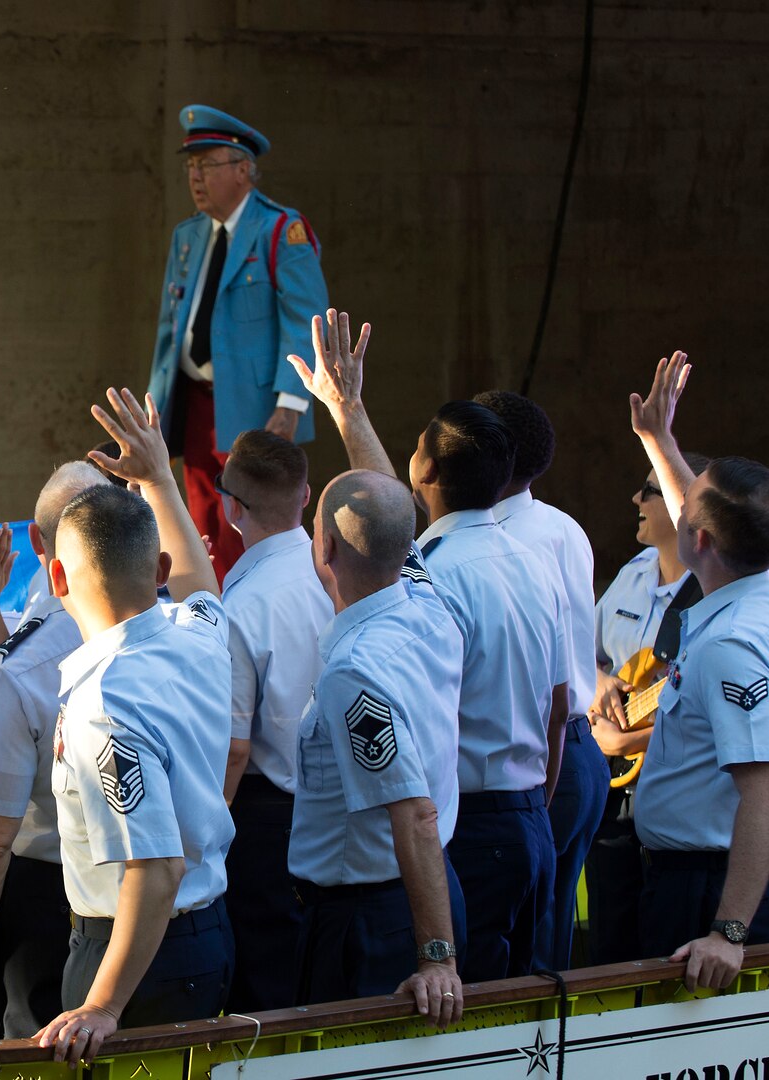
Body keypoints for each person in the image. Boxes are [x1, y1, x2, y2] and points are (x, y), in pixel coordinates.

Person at [287, 310, 568, 982]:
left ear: (429, 467)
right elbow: (559, 707)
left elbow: (383, 535)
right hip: (526, 812)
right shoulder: (528, 554)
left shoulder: (437, 579)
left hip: (457, 837)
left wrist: (434, 951)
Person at [35, 388, 235, 1067]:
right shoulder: (197, 629)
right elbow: (201, 584)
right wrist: (158, 479)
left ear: (56, 577)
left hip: (132, 952)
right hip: (204, 935)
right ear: (155, 573)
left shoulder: (103, 704)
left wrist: (103, 1005)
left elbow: (155, 869)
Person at [626, 353, 769, 990]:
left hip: (715, 896)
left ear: (699, 542)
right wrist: (660, 439)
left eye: (687, 510)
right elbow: (702, 514)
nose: (676, 509)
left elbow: (763, 792)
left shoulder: (731, 643)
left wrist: (729, 932)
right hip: (711, 879)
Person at [290, 469, 465, 1027]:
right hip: (425, 890)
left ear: (325, 546)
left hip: (377, 918)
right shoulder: (428, 600)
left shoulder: (353, 670)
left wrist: (436, 957)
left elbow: (413, 814)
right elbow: (396, 534)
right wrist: (349, 413)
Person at [0, 461, 109, 1039]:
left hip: (46, 894)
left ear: (37, 541)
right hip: (164, 895)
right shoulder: (187, 635)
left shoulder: (23, 667)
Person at [146, 105, 328, 581]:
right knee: (201, 521)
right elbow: (170, 332)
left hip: (254, 407)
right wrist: (157, 409)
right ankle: (214, 608)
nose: (196, 176)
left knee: (256, 522)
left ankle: (259, 609)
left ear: (244, 170)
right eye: (191, 166)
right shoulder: (189, 235)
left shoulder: (278, 230)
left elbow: (303, 320)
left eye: (207, 164)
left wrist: (290, 404)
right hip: (195, 403)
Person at [473, 389, 609, 972]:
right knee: (545, 936)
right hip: (576, 750)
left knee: (522, 955)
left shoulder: (498, 545)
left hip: (542, 755)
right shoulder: (562, 526)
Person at [212, 428, 332, 1012]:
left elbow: (236, 748)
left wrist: (208, 834)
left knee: (264, 987)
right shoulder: (340, 571)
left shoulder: (243, 604)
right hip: (339, 800)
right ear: (306, 496)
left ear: (231, 508)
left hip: (266, 815)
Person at [582, 450, 710, 966]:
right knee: (610, 948)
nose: (636, 499)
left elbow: (706, 711)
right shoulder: (632, 573)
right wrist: (597, 682)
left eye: (649, 489)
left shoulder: (715, 595)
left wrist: (630, 740)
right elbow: (579, 652)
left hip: (678, 805)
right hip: (614, 799)